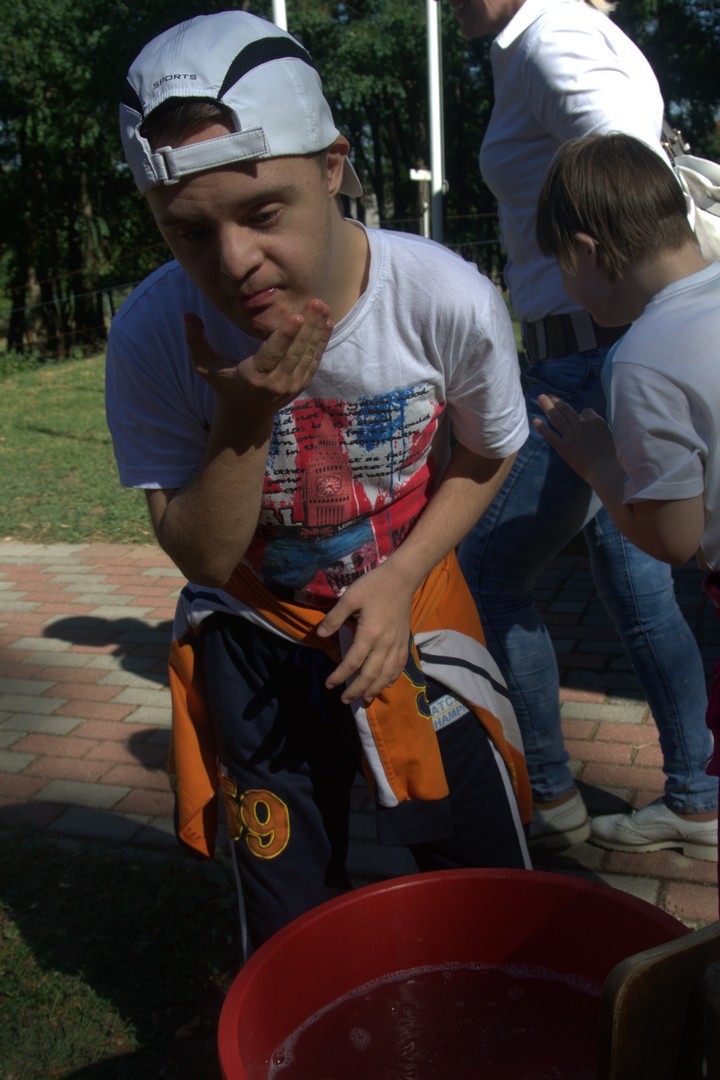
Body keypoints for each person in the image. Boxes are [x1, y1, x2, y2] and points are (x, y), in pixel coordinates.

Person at [106, 10, 532, 955]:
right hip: (257, 633)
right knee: (289, 913)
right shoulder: (152, 336)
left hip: (417, 605)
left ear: (333, 166)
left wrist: (401, 575)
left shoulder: (442, 298)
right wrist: (245, 418)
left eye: (264, 213)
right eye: (189, 232)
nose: (234, 264)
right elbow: (204, 556)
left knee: (481, 888)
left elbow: (490, 449)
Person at [445, 0, 718, 858]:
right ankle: (697, 793)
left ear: (588, 252)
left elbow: (622, 167)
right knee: (639, 590)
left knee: (487, 571)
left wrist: (604, 450)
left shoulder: (553, 37)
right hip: (602, 344)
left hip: (588, 354)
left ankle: (548, 794)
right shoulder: (533, 41)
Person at [533, 131, 720, 858]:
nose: (564, 284)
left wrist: (599, 465)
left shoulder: (644, 357)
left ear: (587, 250)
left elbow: (673, 539)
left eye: (559, 264)